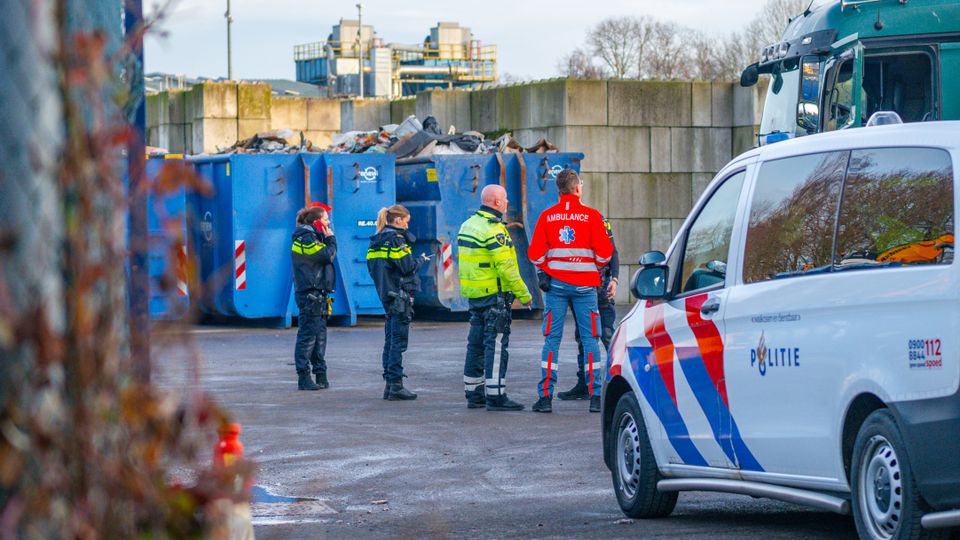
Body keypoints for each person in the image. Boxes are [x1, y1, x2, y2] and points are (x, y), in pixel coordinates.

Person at [528, 169, 613, 413]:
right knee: (590, 340)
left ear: (558, 191)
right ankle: (596, 395)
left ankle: (545, 397)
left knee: (551, 340)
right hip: (586, 287)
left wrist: (550, 269)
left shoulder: (547, 216)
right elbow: (606, 254)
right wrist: (590, 268)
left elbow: (535, 255)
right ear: (577, 189)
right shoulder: (592, 216)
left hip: (556, 287)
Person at [457, 185, 533, 411]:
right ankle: (496, 396)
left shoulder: (468, 224)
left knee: (475, 345)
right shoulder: (494, 230)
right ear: (497, 202)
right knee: (496, 345)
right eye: (505, 198)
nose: (508, 202)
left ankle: (474, 394)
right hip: (494, 296)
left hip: (475, 295)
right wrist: (524, 294)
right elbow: (507, 268)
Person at [367, 204, 427, 401]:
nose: (407, 225)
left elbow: (374, 268)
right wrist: (420, 260)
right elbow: (407, 267)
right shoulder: (397, 240)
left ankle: (389, 384)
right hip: (400, 295)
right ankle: (396, 385)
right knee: (398, 342)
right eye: (406, 221)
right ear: (399, 220)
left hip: (387, 294)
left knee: (390, 340)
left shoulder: (376, 241)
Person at [558, 218, 619, 401]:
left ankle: (619, 381)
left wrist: (614, 279)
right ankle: (585, 383)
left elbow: (613, 252)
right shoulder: (568, 220)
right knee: (582, 336)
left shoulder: (598, 220)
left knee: (607, 335)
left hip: (600, 287)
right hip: (581, 287)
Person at [291, 203, 337, 391]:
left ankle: (320, 374)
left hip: (318, 293)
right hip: (309, 294)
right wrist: (331, 239)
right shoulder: (304, 238)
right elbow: (327, 256)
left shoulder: (313, 237)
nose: (329, 222)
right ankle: (304, 377)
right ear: (318, 222)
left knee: (319, 336)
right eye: (326, 219)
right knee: (308, 336)